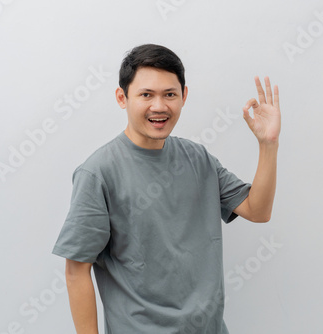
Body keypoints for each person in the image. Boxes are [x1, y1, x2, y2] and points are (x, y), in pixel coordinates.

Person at [52, 43, 281, 334]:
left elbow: (257, 211)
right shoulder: (98, 172)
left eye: (169, 94)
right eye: (146, 94)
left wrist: (268, 144)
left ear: (183, 96)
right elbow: (76, 270)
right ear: (122, 98)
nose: (159, 106)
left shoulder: (198, 159)